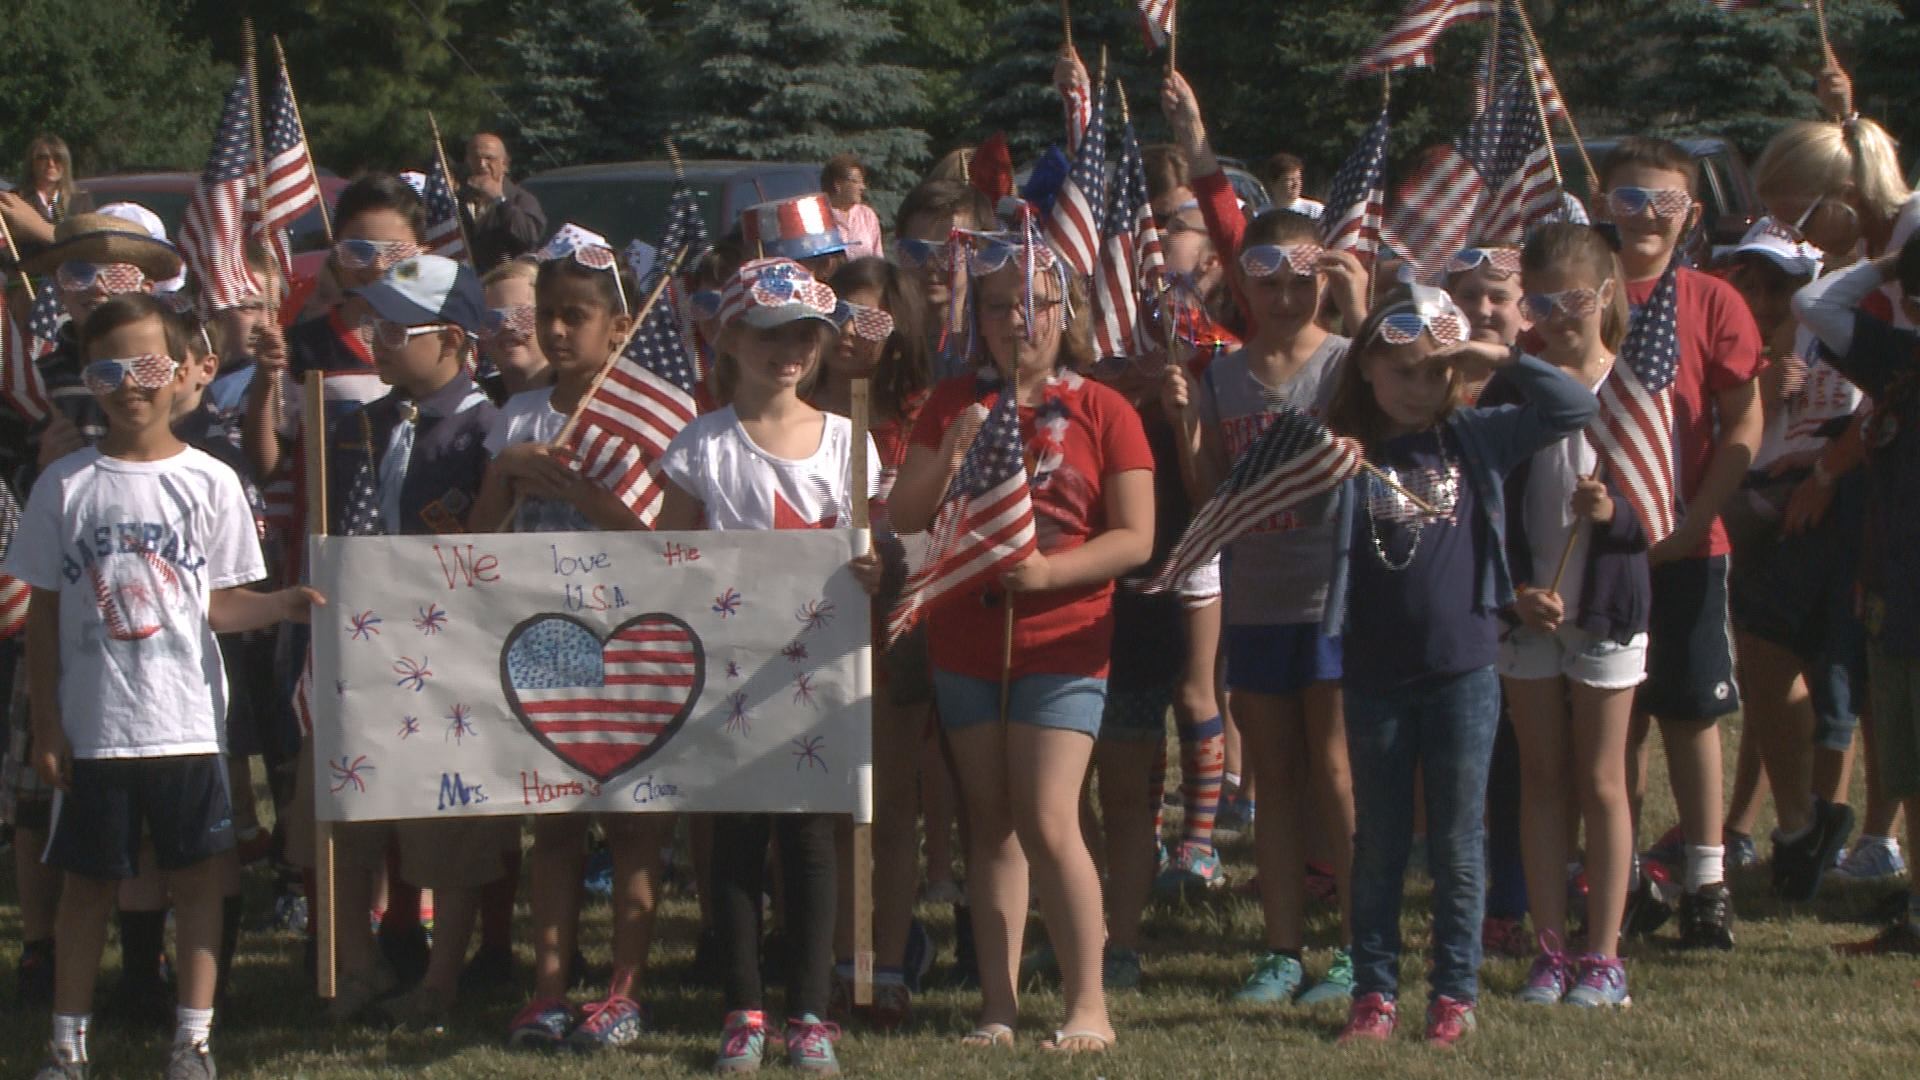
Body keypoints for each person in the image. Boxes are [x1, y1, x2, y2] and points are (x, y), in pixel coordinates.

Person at [10, 291, 320, 1080]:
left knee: (198, 883)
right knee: (87, 888)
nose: (130, 384)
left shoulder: (211, 482)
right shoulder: (64, 485)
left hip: (185, 725)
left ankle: (193, 1038)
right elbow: (43, 617)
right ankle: (66, 1044)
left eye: (148, 365)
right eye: (108, 368)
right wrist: (48, 725)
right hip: (95, 726)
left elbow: (216, 605)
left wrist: (282, 603)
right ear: (89, 377)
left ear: (186, 371)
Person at [890, 231, 1152, 1056]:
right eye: (999, 304)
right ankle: (996, 1009)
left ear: (1064, 310)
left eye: (1035, 301)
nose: (1017, 319)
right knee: (991, 824)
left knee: (1048, 817)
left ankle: (1088, 1007)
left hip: (1068, 639)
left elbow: (1138, 538)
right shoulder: (951, 401)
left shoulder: (1104, 408)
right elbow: (905, 515)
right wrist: (956, 446)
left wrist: (1051, 574)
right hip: (966, 637)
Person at [1324, 285, 1597, 1046]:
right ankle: (1374, 993)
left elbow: (1574, 408)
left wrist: (1496, 357)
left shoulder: (1476, 435)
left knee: (1457, 839)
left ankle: (1454, 994)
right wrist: (1327, 462)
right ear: (1369, 369)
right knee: (1379, 842)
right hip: (1375, 670)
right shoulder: (1346, 447)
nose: (1420, 387)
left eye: (1435, 372)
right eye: (1403, 370)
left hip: (1466, 667)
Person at [653, 257, 882, 1074]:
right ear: (732, 337)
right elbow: (667, 560)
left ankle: (811, 1011)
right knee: (738, 840)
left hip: (818, 681)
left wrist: (874, 569)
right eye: (771, 333)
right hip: (725, 680)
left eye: (804, 337)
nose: (788, 350)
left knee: (813, 843)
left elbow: (869, 547)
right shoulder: (700, 446)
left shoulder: (851, 440)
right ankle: (743, 1007)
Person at [472, 233, 662, 1053]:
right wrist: (505, 471)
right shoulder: (516, 414)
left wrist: (589, 491)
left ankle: (625, 987)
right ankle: (548, 984)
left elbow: (673, 544)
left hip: (630, 637)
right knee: (552, 824)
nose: (555, 332)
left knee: (631, 824)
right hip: (542, 637)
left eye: (574, 317)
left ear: (616, 327)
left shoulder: (655, 412)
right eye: (545, 316)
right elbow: (475, 543)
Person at [1163, 210, 1356, 1007]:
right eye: (1268, 282)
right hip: (1257, 601)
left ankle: (1354, 948)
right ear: (1240, 282)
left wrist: (1364, 298)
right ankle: (1282, 950)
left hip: (1336, 601)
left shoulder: (1349, 364)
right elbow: (1213, 497)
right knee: (1275, 780)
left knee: (1337, 775)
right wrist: (1183, 423)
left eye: (1302, 282)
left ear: (1325, 281)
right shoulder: (1224, 377)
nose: (1285, 298)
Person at [321, 255, 508, 1028]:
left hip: (447, 656)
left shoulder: (485, 430)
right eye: (375, 326)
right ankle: (355, 968)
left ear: (455, 339)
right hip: (357, 648)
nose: (379, 341)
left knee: (448, 820)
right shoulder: (357, 424)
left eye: (398, 329)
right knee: (345, 807)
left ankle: (439, 980)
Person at [1598, 138, 1766, 950]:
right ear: (1604, 203)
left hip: (1693, 542)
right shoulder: (1577, 294)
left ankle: (1707, 880)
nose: (1646, 218)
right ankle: (1623, 879)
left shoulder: (1712, 299)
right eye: (1630, 200)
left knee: (1693, 716)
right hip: (1602, 547)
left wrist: (1700, 515)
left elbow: (1744, 418)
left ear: (1692, 214)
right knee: (1614, 720)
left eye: (1664, 203)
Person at [1492, 224, 1648, 1009]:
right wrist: (1519, 588)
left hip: (1609, 609)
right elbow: (1486, 507)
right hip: (1530, 616)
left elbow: (1662, 508)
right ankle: (1550, 951)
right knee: (1542, 778)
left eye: (1576, 299)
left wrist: (1614, 511)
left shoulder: (1631, 389)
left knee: (1602, 780)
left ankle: (1604, 955)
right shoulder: (1517, 388)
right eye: (1542, 302)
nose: (1559, 316)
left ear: (1608, 295)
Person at [1716, 219, 1866, 901]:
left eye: (1782, 287)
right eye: (1751, 285)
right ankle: (1799, 828)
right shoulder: (1737, 347)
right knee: (1766, 668)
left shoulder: (1835, 331)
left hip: (1829, 507)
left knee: (1831, 681)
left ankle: (1824, 841)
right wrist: (1762, 391)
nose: (1766, 302)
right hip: (1758, 508)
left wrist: (1826, 469)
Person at [816, 256, 936, 1027]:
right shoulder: (790, 412)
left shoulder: (921, 418)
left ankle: (886, 965)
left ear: (900, 331)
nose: (853, 337)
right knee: (828, 818)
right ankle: (832, 963)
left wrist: (899, 556)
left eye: (872, 321)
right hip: (806, 648)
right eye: (838, 319)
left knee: (890, 812)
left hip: (894, 639)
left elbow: (946, 526)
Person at [1794, 235, 1920, 956]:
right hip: (1897, 589)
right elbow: (1815, 302)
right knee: (1907, 766)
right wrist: (1896, 265)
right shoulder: (1899, 360)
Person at [890, 179, 996, 381]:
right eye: (915, 250)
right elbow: (858, 401)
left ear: (979, 253)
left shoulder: (996, 342)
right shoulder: (884, 342)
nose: (931, 264)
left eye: (948, 251)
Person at [461, 133, 547, 271]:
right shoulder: (457, 200)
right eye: (476, 158)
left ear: (505, 164)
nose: (482, 165)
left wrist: (500, 200)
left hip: (505, 282)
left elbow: (529, 237)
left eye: (489, 158)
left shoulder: (521, 199)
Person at [0, 135, 89, 251]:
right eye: (43, 158)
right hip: (28, 266)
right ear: (32, 163)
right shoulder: (16, 200)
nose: (51, 164)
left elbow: (90, 242)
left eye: (58, 158)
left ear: (65, 163)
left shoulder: (80, 200)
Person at [478, 258, 551, 397]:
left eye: (521, 314)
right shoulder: (477, 413)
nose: (506, 325)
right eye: (492, 318)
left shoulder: (587, 402)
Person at [823, 155, 883, 260]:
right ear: (838, 185)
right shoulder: (818, 216)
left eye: (862, 182)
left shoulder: (866, 215)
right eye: (856, 182)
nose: (863, 187)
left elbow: (877, 258)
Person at [1263, 152, 1324, 220]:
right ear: (1273, 183)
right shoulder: (1262, 214)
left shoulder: (1315, 210)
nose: (1296, 184)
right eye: (1290, 179)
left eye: (1298, 178)